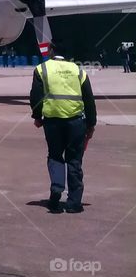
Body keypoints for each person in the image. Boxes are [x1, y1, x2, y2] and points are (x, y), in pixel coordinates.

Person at [30, 44, 97, 214]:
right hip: (76, 122)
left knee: (55, 156)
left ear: (52, 51)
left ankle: (56, 192)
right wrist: (91, 123)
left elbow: (36, 95)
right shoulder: (78, 70)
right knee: (74, 159)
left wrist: (37, 116)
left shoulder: (42, 69)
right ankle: (74, 203)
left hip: (53, 121)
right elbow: (89, 98)